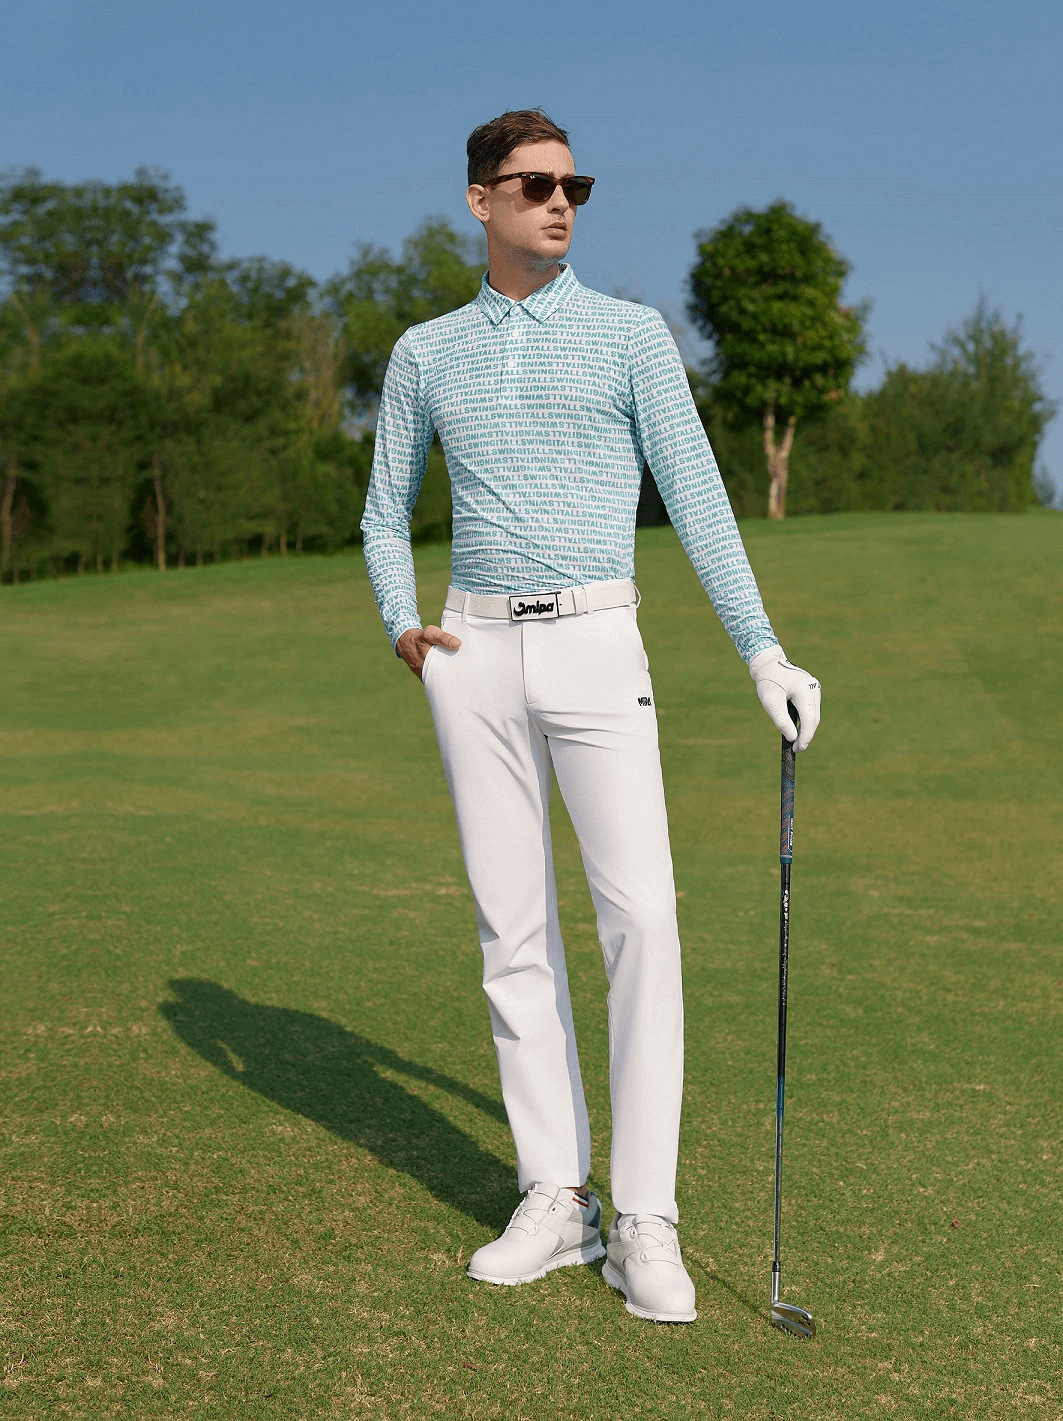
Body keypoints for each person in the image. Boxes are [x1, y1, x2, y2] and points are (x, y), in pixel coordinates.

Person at [361, 108, 821, 1324]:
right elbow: (382, 508)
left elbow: (700, 499)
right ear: (480, 200)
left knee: (643, 922)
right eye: (534, 185)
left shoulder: (628, 335)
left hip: (597, 638)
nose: (560, 202)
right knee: (511, 930)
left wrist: (762, 649)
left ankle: (644, 1218)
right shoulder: (426, 351)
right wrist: (401, 622)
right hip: (473, 651)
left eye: (574, 186)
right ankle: (555, 1197)